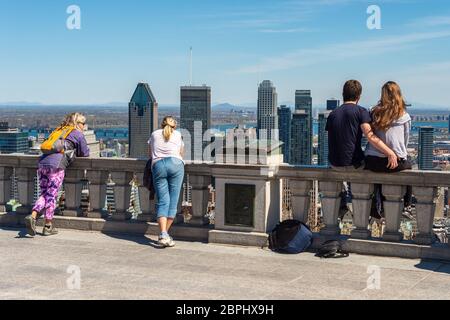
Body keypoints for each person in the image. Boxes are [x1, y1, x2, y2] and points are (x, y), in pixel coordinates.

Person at [326, 80, 399, 219]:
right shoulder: (361, 112)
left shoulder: (332, 114)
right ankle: (376, 206)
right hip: (354, 164)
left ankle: (342, 203)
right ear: (359, 96)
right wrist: (390, 152)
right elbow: (370, 136)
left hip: (334, 164)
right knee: (375, 165)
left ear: (343, 95)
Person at [25, 113, 90, 236]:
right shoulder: (78, 134)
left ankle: (33, 216)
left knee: (44, 193)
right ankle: (48, 226)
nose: (84, 125)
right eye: (83, 123)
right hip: (56, 166)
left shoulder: (59, 130)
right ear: (77, 123)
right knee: (51, 195)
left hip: (43, 164)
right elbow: (85, 153)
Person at [364, 81, 413, 220]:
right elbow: (405, 141)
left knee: (378, 170)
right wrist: (396, 153)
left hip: (373, 161)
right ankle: (407, 205)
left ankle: (376, 203)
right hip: (394, 163)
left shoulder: (373, 112)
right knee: (409, 166)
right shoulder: (404, 117)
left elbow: (370, 135)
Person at [148, 116, 185, 247]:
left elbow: (150, 153)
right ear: (174, 126)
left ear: (161, 124)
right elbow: (181, 153)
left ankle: (164, 234)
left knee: (163, 202)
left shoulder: (154, 134)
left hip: (158, 166)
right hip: (176, 164)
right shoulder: (178, 135)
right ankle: (164, 234)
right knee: (173, 203)